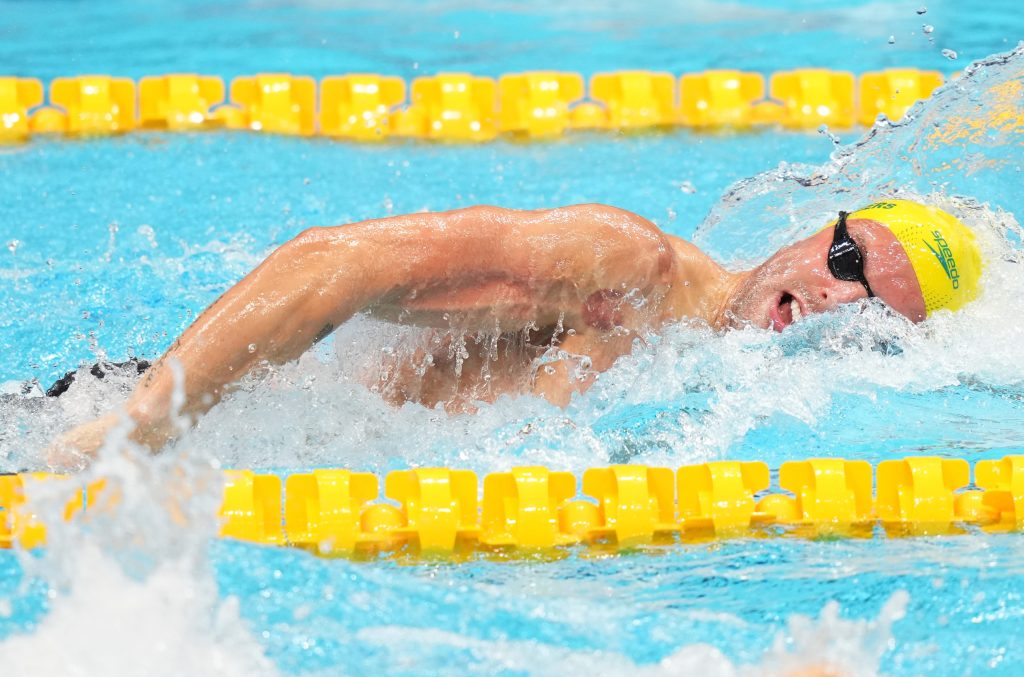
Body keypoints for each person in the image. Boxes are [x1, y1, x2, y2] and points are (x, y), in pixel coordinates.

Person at [49, 198, 982, 466]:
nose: (837, 299)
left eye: (878, 315)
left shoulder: (725, 398)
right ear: (812, 230)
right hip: (169, 423)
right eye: (849, 262)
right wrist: (143, 420)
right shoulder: (630, 265)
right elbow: (329, 261)